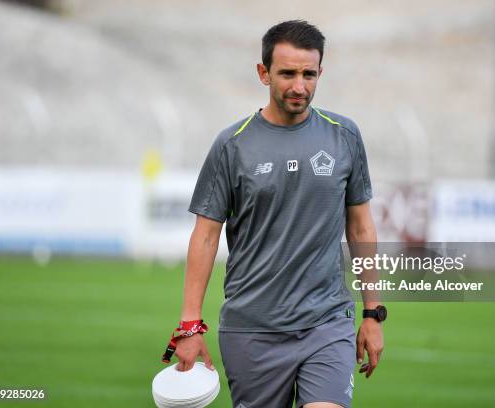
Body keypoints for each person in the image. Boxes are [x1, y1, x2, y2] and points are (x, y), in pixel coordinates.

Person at [163, 20, 385, 408]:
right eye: (287, 73)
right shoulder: (233, 145)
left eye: (309, 74)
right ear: (263, 73)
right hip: (252, 329)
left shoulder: (344, 136)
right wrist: (189, 325)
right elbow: (205, 235)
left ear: (320, 72)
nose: (299, 86)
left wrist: (372, 312)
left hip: (326, 323)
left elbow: (361, 225)